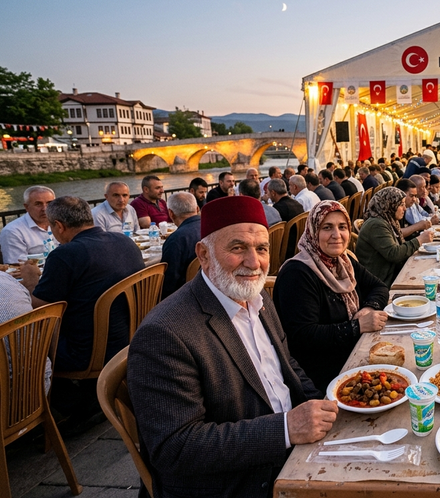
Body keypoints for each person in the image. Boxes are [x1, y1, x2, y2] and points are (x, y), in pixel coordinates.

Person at [128, 196, 337, 497]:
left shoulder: (258, 296)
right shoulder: (164, 334)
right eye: (237, 248)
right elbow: (176, 447)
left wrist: (325, 406)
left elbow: (286, 367)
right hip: (235, 481)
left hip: (291, 446)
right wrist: (286, 429)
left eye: (262, 249)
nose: (254, 263)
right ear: (203, 254)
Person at [20, 196, 144, 373]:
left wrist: (31, 281)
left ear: (60, 226)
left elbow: (42, 308)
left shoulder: (64, 255)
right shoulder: (124, 241)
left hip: (86, 353)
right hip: (130, 339)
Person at [274, 201, 389, 391]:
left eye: (342, 227)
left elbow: (379, 287)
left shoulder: (344, 261)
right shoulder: (297, 274)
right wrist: (356, 326)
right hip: (323, 375)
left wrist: (368, 308)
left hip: (354, 352)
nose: (337, 235)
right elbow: (304, 336)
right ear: (313, 232)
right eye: (327, 228)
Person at [355, 187, 432, 286]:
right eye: (401, 205)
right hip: (380, 282)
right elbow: (394, 254)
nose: (405, 208)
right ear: (388, 205)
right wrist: (419, 240)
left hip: (390, 274)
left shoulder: (387, 220)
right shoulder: (376, 225)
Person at [160, 192, 201, 298]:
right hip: (208, 289)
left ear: (171, 213)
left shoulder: (176, 240)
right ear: (197, 209)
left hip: (184, 297)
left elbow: (168, 282)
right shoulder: (210, 228)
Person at [0, 185, 54, 262]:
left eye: (49, 203)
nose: (45, 209)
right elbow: (15, 265)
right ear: (27, 207)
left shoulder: (61, 222)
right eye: (38, 204)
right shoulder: (13, 231)